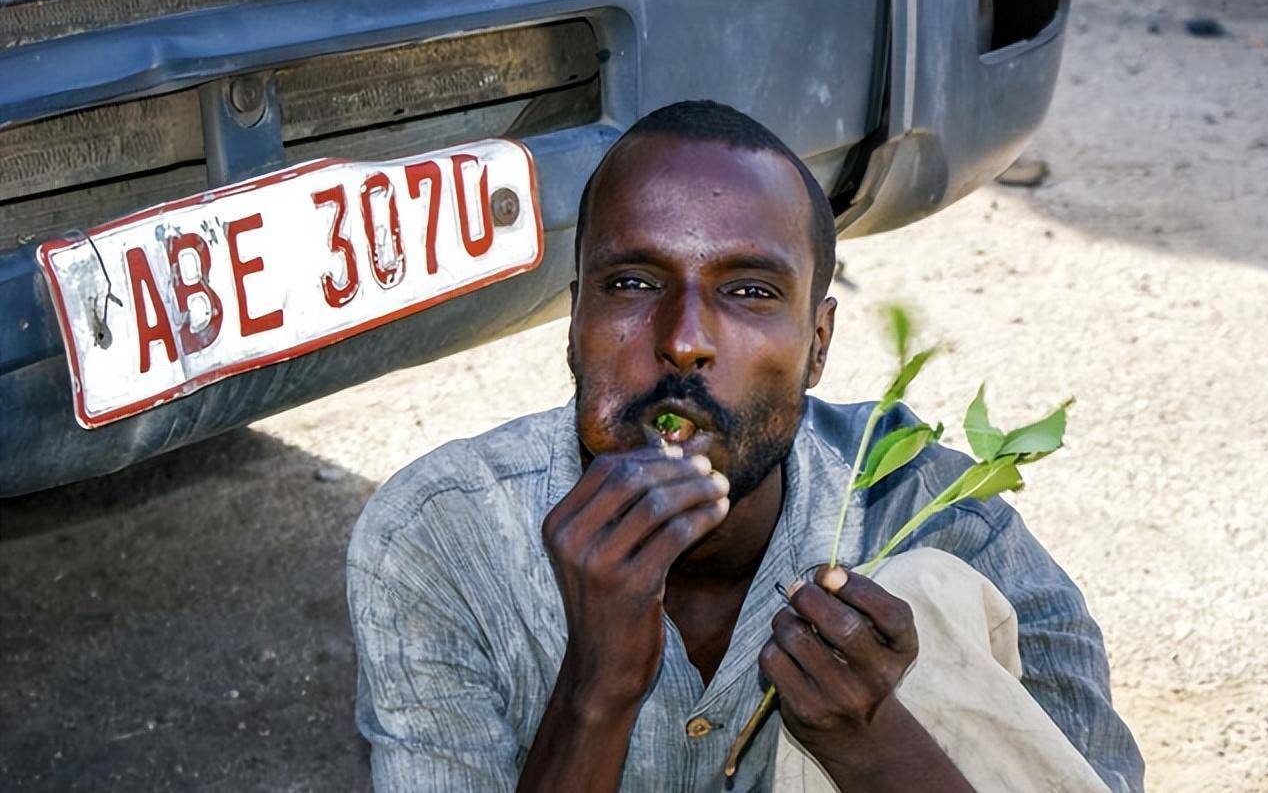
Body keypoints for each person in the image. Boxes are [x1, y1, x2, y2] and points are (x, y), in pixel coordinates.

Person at [346, 100, 1145, 792]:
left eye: (749, 292)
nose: (686, 341)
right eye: (631, 282)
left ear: (817, 343)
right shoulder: (442, 536)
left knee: (930, 593)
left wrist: (869, 741)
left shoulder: (939, 521)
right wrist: (598, 683)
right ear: (575, 321)